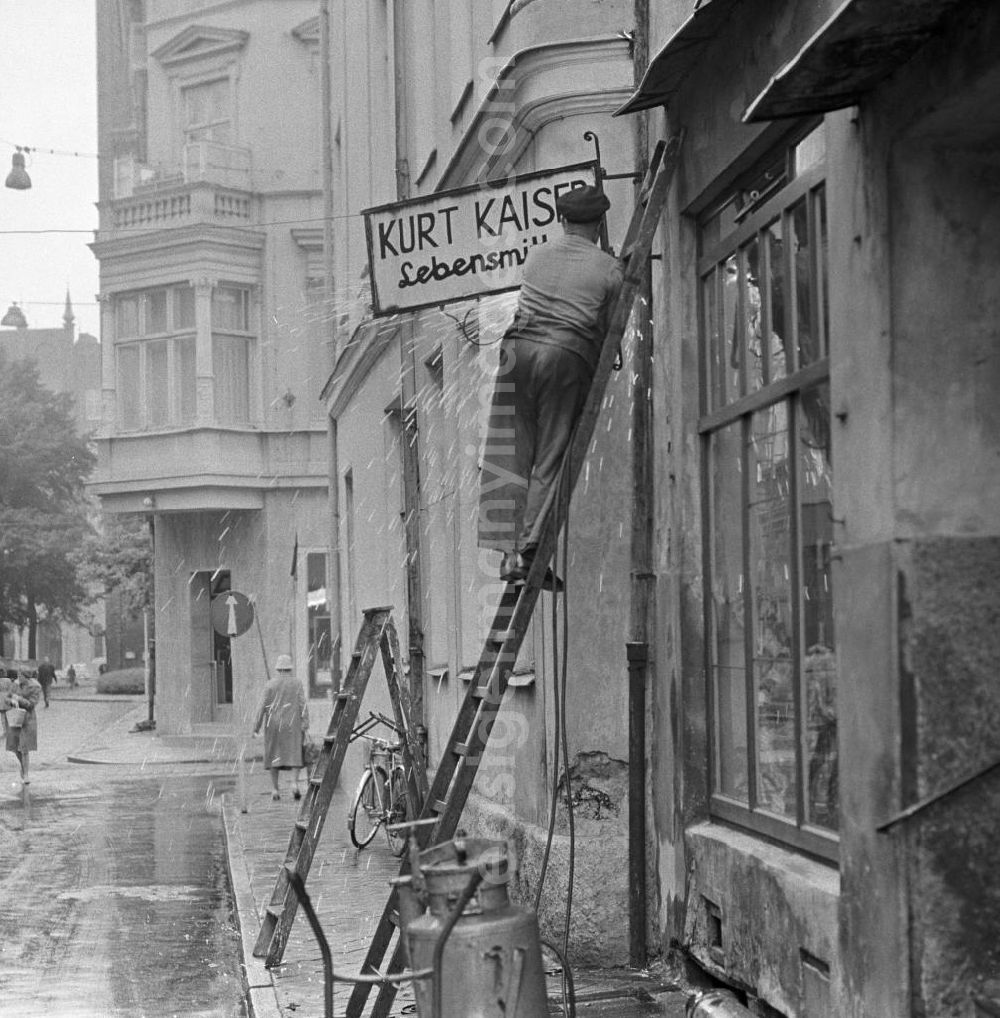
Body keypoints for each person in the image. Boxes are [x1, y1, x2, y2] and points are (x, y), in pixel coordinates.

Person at [478, 184, 623, 586]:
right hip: (564, 355)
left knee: (509, 452)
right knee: (551, 456)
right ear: (598, 223)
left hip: (517, 352)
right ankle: (529, 550)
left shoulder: (536, 256)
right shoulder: (609, 269)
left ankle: (506, 556)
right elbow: (610, 328)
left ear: (562, 220)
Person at [253, 654, 308, 801]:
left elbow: (262, 706)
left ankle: (275, 789)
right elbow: (302, 704)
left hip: (273, 725)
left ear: (278, 669)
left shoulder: (270, 685)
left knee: (274, 755)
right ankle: (295, 783)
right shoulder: (297, 683)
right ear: (290, 668)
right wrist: (305, 723)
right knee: (295, 753)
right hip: (292, 724)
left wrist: (256, 726)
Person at [1, 668, 43, 785]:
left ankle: (26, 774)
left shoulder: (35, 687)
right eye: (18, 675)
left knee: (24, 748)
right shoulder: (15, 685)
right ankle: (23, 767)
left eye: (20, 675)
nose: (18, 677)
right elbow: (7, 698)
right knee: (14, 748)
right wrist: (11, 701)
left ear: (26, 676)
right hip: (15, 718)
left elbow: (31, 705)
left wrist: (18, 699)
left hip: (27, 720)